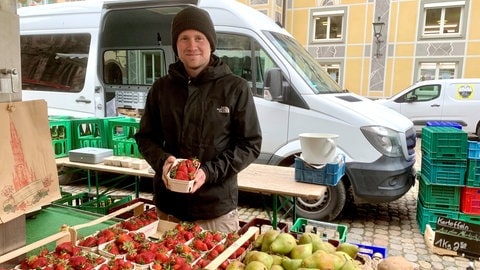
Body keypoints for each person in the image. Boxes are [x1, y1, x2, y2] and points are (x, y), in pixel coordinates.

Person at [134, 6, 262, 233]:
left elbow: (249, 144)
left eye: (199, 38)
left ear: (211, 43)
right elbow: (146, 137)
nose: (192, 46)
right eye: (184, 38)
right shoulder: (161, 88)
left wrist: (209, 171)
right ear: (176, 45)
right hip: (169, 208)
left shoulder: (235, 88)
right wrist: (163, 161)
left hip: (215, 210)